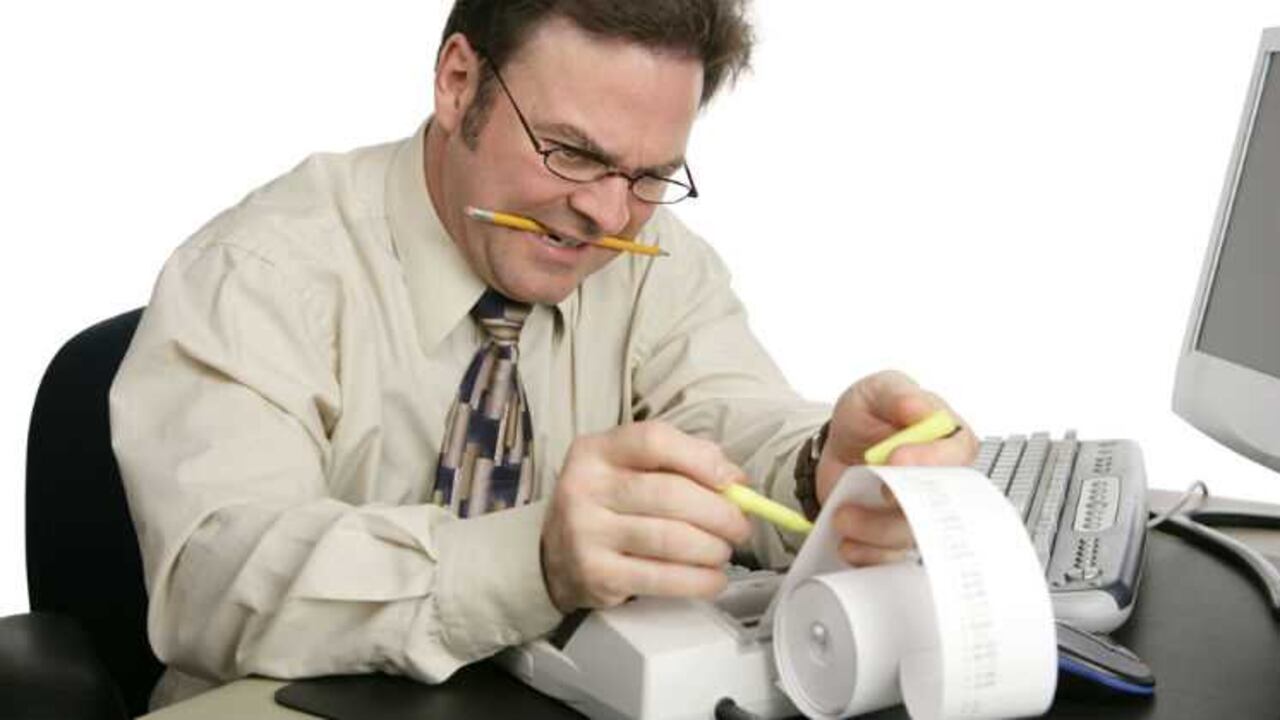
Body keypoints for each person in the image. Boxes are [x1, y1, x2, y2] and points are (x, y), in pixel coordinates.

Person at [109, 0, 978, 708]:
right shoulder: (259, 271)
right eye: (570, 152)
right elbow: (213, 581)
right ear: (459, 85)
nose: (607, 215)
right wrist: (532, 563)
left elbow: (723, 412)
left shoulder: (654, 260)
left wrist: (819, 468)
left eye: (649, 175)